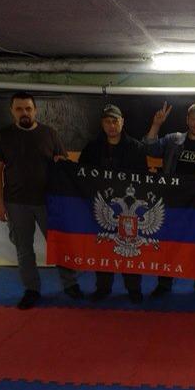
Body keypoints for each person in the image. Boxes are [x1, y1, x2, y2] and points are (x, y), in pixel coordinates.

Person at [0, 91, 82, 310]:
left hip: (49, 201)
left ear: (35, 110)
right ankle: (31, 289)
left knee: (60, 244)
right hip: (16, 202)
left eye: (28, 108)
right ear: (12, 111)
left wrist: (61, 161)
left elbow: (63, 163)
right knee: (23, 248)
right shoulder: (2, 135)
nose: (24, 113)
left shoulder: (49, 134)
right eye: (19, 109)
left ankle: (70, 284)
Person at [144, 102, 195, 301]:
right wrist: (156, 125)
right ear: (187, 120)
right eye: (194, 119)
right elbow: (149, 148)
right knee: (168, 242)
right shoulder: (172, 140)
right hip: (171, 202)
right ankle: (164, 283)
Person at [78, 104, 147, 304]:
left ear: (122, 122)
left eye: (115, 121)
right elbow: (80, 174)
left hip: (128, 210)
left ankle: (134, 288)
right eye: (107, 121)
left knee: (129, 247)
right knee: (104, 247)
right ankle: (103, 287)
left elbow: (143, 179)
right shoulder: (91, 148)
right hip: (101, 207)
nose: (112, 125)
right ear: (102, 124)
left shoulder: (136, 148)